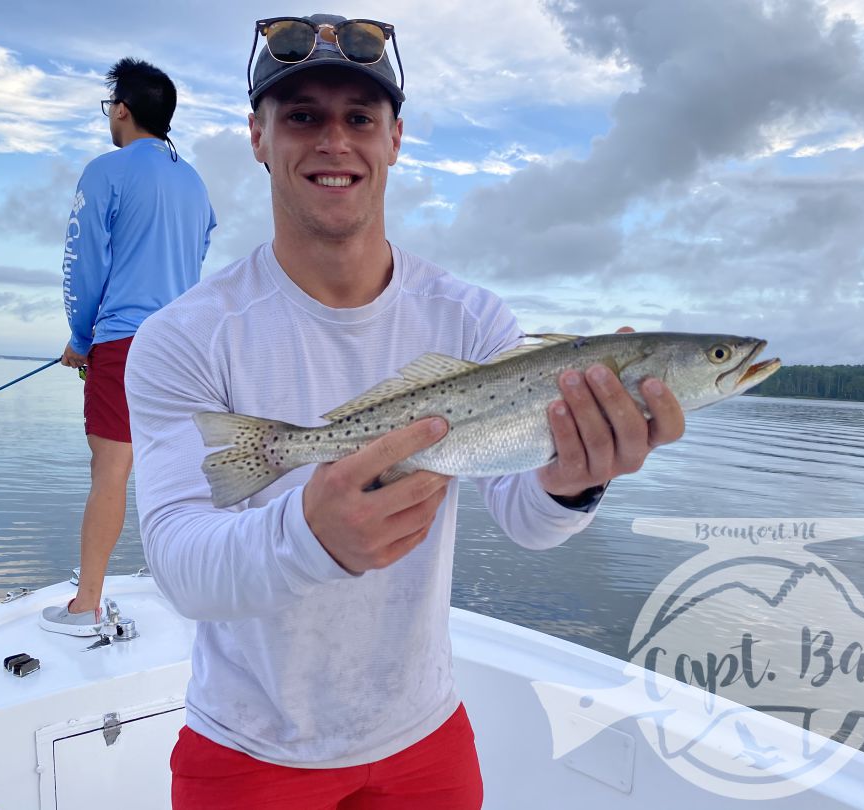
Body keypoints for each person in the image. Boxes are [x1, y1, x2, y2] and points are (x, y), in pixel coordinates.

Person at [125, 14, 684, 809]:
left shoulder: (473, 320)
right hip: (248, 746)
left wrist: (574, 482)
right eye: (303, 116)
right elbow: (180, 566)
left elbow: (526, 519)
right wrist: (308, 535)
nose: (334, 142)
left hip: (425, 734)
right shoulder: (183, 337)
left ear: (396, 139)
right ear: (257, 136)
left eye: (360, 117)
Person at [41, 58, 217, 636]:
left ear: (122, 108)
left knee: (111, 472)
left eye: (108, 105)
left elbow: (83, 264)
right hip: (185, 347)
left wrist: (80, 338)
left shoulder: (106, 170)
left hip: (123, 343)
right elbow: (193, 257)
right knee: (184, 473)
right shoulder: (194, 182)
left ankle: (86, 604)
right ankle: (201, 594)